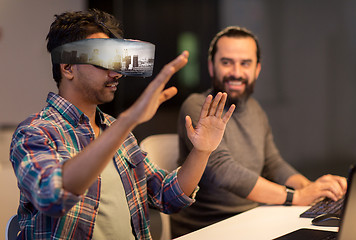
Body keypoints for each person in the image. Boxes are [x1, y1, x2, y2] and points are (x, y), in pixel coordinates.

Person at [9, 9, 235, 239]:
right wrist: (129, 120)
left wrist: (202, 151)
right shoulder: (35, 133)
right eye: (103, 59)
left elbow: (167, 196)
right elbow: (52, 196)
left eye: (117, 61)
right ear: (67, 67)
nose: (116, 73)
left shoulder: (117, 130)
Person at [170, 26, 347, 237]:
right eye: (226, 62)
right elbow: (222, 170)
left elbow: (273, 163)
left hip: (254, 219)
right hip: (208, 229)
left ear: (257, 69)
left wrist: (312, 189)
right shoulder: (199, 105)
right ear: (211, 66)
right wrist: (295, 197)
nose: (236, 72)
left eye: (245, 63)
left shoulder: (255, 110)